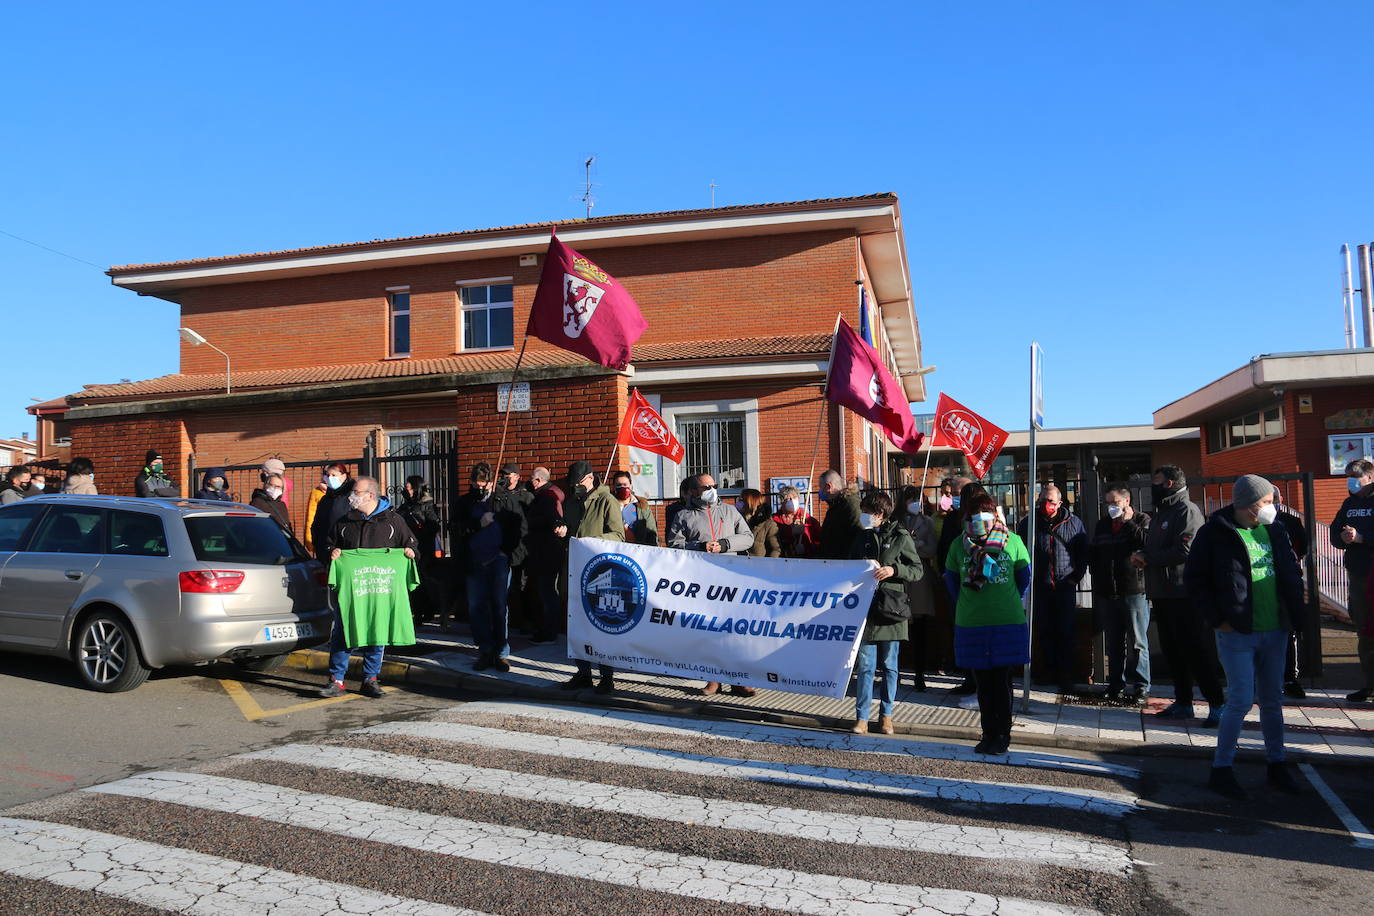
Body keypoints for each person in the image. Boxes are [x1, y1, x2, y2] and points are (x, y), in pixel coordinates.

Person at [1186, 475, 1305, 799]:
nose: (1272, 508)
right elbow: (1195, 580)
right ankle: (1221, 768)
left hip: (1274, 629)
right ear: (1249, 505)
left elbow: (1291, 571)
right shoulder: (1215, 533)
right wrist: (1217, 619)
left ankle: (1276, 764)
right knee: (1239, 700)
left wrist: (1295, 614)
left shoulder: (1276, 529)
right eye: (1266, 502)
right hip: (1237, 631)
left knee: (1272, 700)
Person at [945, 486, 1032, 755]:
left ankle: (1002, 734)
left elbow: (1024, 578)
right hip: (972, 622)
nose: (980, 518)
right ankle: (987, 733)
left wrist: (1005, 598)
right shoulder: (959, 545)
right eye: (974, 513)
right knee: (983, 683)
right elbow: (951, 581)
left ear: (995, 515)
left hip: (1005, 620)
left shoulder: (1013, 541)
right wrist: (970, 602)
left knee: (1001, 681)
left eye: (985, 512)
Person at [1138, 465, 1223, 725]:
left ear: (1171, 483)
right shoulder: (1163, 512)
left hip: (1183, 594)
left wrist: (1148, 559)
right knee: (1173, 652)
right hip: (1163, 594)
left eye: (1157, 481)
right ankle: (1183, 702)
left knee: (1196, 650)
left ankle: (1217, 704)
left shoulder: (1187, 511)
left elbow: (1186, 550)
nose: (1153, 486)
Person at [319, 476, 418, 698]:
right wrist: (331, 552)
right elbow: (327, 544)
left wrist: (411, 553)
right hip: (353, 591)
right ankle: (336, 680)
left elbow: (411, 544)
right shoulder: (344, 522)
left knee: (376, 631)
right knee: (344, 633)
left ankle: (370, 679)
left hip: (380, 589)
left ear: (370, 495)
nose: (351, 496)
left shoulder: (393, 521)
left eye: (356, 492)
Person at [564, 469, 660, 693]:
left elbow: (620, 535)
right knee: (580, 622)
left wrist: (590, 542)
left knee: (605, 621)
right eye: (617, 484)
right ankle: (583, 672)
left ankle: (607, 675)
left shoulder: (613, 502)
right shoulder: (574, 502)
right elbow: (572, 529)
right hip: (582, 568)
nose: (621, 489)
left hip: (616, 568)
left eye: (624, 484)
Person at [668, 472, 756, 696]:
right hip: (703, 580)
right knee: (709, 630)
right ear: (693, 491)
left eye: (713, 485)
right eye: (706, 486)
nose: (711, 489)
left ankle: (737, 680)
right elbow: (674, 545)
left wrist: (725, 544)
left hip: (730, 579)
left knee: (733, 631)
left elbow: (748, 537)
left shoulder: (729, 511)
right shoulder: (683, 515)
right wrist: (699, 546)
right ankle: (713, 679)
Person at [848, 490, 921, 734]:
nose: (863, 517)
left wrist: (894, 570)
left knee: (890, 666)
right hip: (866, 608)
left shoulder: (901, 536)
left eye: (867, 513)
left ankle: (886, 715)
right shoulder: (861, 537)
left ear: (880, 514)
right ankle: (862, 717)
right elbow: (849, 565)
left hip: (891, 609)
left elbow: (917, 570)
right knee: (866, 665)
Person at [454, 462, 527, 673]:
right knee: (477, 607)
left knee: (499, 607)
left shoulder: (503, 500)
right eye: (476, 484)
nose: (481, 488)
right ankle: (485, 650)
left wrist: (508, 553)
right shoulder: (465, 503)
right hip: (475, 561)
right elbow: (456, 528)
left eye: (484, 484)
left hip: (499, 560)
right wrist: (478, 524)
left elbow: (519, 528)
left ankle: (502, 652)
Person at [1016, 485, 1087, 695]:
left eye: (1051, 501)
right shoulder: (1028, 523)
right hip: (1040, 586)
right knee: (1044, 631)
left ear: (1060, 503)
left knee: (1065, 631)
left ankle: (1066, 676)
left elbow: (1082, 552)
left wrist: (1075, 578)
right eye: (1043, 501)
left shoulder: (1074, 523)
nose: (1047, 505)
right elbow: (1021, 551)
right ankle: (1047, 672)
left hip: (1065, 585)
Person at [1090, 486, 1151, 703]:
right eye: (1108, 503)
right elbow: (1096, 553)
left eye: (1115, 503)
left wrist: (1128, 522)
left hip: (1133, 589)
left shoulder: (1142, 520)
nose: (1111, 508)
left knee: (1137, 641)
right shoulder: (1103, 525)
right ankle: (1116, 684)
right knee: (1114, 643)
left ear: (1126, 502)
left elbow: (1146, 543)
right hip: (1109, 591)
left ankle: (1141, 686)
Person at [1333, 458, 1374, 703]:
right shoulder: (1348, 503)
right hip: (1358, 575)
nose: (1349, 482)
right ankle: (1369, 685)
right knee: (1364, 631)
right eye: (1346, 476)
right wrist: (1344, 539)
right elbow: (1334, 532)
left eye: (1354, 477)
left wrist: (1362, 538)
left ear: (1369, 478)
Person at [895, 484, 937, 690]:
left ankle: (920, 674)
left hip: (920, 579)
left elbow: (932, 548)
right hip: (901, 579)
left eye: (917, 499)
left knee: (921, 628)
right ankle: (896, 673)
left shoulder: (927, 521)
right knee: (899, 627)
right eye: (910, 500)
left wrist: (918, 545)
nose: (914, 504)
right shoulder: (896, 521)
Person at [1272, 488, 1309, 699]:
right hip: (1261, 584)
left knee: (1289, 632)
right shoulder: (1250, 521)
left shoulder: (1290, 521)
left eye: (1275, 499)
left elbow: (1302, 547)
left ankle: (1290, 677)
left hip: (1286, 583)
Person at [525, 466, 567, 644]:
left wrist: (529, 522)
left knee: (547, 593)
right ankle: (548, 629)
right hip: (547, 551)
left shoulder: (547, 497)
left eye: (531, 479)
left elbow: (552, 521)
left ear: (538, 480)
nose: (528, 482)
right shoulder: (550, 495)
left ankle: (549, 631)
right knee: (547, 592)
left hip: (546, 552)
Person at [310, 463, 355, 565]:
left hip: (344, 551)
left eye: (334, 475)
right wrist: (317, 544)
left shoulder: (351, 497)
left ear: (344, 476)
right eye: (328, 475)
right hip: (325, 551)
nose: (330, 478)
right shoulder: (325, 499)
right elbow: (317, 523)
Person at [817, 469, 862, 559]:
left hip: (845, 563)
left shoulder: (850, 504)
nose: (820, 491)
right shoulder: (835, 506)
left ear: (828, 487)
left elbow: (859, 533)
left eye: (821, 488)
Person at [772, 485, 821, 558]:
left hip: (806, 558)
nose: (792, 500)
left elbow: (819, 538)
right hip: (783, 558)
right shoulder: (774, 519)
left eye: (794, 497)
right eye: (788, 498)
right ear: (782, 501)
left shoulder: (807, 519)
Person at [738, 488, 781, 557]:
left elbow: (775, 550)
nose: (738, 503)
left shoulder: (768, 525)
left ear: (751, 502)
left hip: (760, 565)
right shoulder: (737, 522)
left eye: (742, 500)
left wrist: (769, 565)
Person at [303, 473, 329, 555]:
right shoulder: (316, 493)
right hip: (322, 535)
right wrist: (309, 539)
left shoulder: (344, 492)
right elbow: (311, 516)